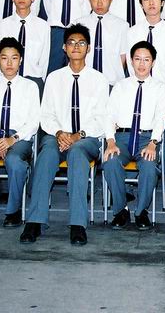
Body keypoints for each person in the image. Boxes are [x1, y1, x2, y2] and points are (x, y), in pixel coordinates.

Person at [19, 24, 113, 246]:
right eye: (71, 42)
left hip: (87, 138)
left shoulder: (99, 79)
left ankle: (78, 224)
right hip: (58, 135)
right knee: (46, 154)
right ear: (64, 47)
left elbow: (102, 117)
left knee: (77, 154)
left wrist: (78, 135)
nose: (76, 47)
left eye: (81, 43)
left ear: (88, 48)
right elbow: (46, 114)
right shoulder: (54, 78)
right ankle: (35, 221)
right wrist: (60, 132)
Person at [0, 38, 40, 229]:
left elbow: (34, 122)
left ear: (21, 60)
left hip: (19, 137)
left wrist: (13, 139)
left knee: (15, 162)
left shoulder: (30, 87)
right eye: (4, 58)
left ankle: (13, 211)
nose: (9, 63)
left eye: (14, 58)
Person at [103, 41, 165, 230]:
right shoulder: (120, 86)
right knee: (111, 161)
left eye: (146, 59)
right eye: (138, 59)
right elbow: (109, 115)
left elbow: (160, 119)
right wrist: (110, 141)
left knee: (149, 165)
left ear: (153, 62)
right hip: (122, 138)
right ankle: (120, 210)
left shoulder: (160, 88)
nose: (142, 64)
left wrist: (153, 143)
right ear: (131, 61)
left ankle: (141, 212)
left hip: (146, 139)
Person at [0, 0, 50, 93]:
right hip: (8, 78)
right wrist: (4, 79)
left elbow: (44, 59)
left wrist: (40, 79)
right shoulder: (2, 25)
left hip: (34, 79)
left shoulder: (43, 26)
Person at [75, 0, 129, 88]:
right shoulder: (78, 24)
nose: (99, 3)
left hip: (111, 82)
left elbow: (123, 57)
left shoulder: (122, 25)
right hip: (85, 82)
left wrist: (115, 78)